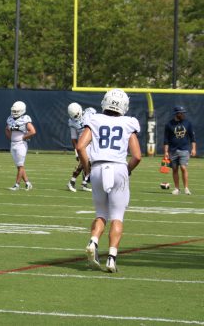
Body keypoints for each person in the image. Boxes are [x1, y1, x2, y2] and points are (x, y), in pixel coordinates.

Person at [78, 89, 141, 273]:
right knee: (117, 216)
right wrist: (127, 171)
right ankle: (111, 258)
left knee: (100, 213)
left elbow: (81, 146)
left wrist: (88, 170)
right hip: (118, 167)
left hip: (98, 167)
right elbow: (137, 156)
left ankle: (93, 241)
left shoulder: (95, 119)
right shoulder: (128, 122)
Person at [163, 105, 196, 196]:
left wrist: (193, 148)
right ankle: (177, 189)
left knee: (183, 167)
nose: (183, 114)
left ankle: (186, 188)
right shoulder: (169, 125)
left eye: (183, 113)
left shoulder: (188, 123)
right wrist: (166, 152)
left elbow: (192, 138)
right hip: (173, 150)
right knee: (174, 169)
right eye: (181, 113)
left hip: (184, 149)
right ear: (176, 114)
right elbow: (166, 140)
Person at [5, 101, 36, 191]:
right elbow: (7, 129)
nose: (14, 113)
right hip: (13, 144)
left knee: (20, 165)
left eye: (17, 111)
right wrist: (10, 137)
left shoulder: (25, 119)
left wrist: (24, 137)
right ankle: (27, 183)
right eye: (13, 111)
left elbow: (33, 131)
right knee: (19, 166)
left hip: (21, 144)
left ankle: (16, 185)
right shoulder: (10, 119)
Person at [66, 103, 96, 192]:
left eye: (76, 115)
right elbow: (74, 138)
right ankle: (71, 181)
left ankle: (84, 183)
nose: (75, 117)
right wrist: (76, 151)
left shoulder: (90, 112)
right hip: (83, 142)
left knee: (90, 163)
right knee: (84, 162)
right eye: (73, 116)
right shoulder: (71, 122)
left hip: (93, 140)